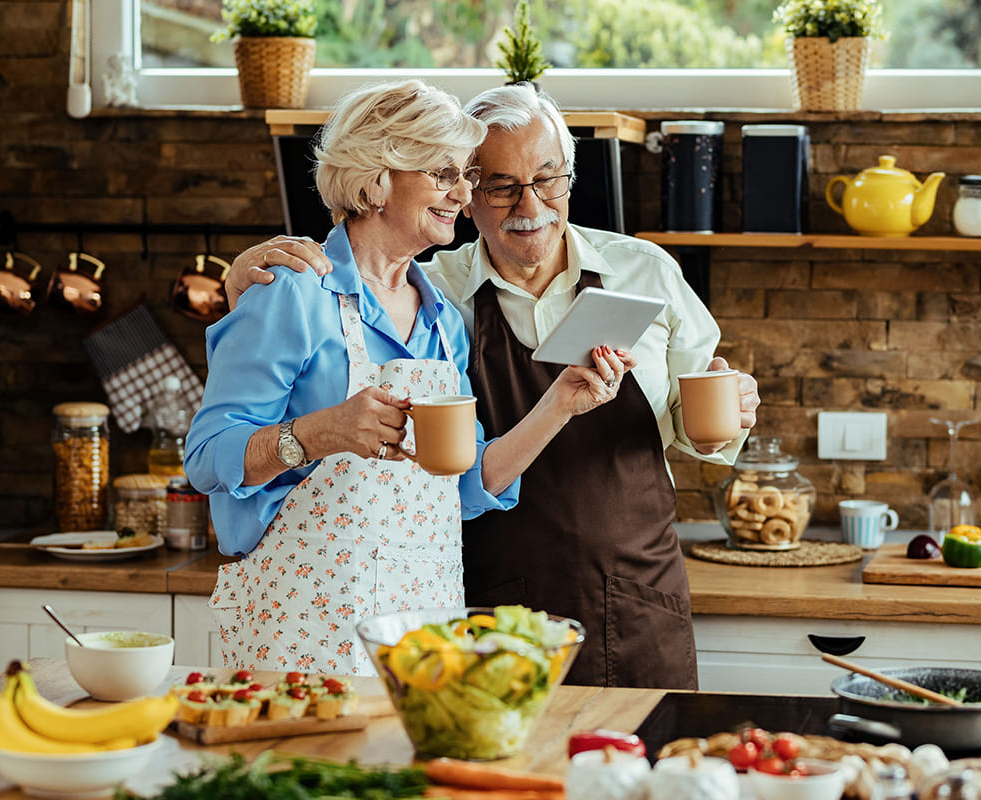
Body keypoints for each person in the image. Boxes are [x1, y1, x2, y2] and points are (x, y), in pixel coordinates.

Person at [223, 83, 760, 689]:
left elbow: (696, 421)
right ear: (471, 198)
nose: (530, 205)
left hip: (635, 593)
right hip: (484, 599)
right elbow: (238, 419)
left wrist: (728, 405)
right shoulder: (434, 289)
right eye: (498, 186)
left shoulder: (641, 273)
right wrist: (245, 283)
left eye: (548, 179)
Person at [184, 80, 633, 676]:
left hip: (421, 629)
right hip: (301, 633)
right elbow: (207, 457)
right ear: (376, 179)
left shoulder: (442, 319)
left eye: (466, 175)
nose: (464, 192)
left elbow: (466, 485)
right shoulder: (290, 294)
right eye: (444, 173)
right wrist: (323, 432)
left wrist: (558, 404)